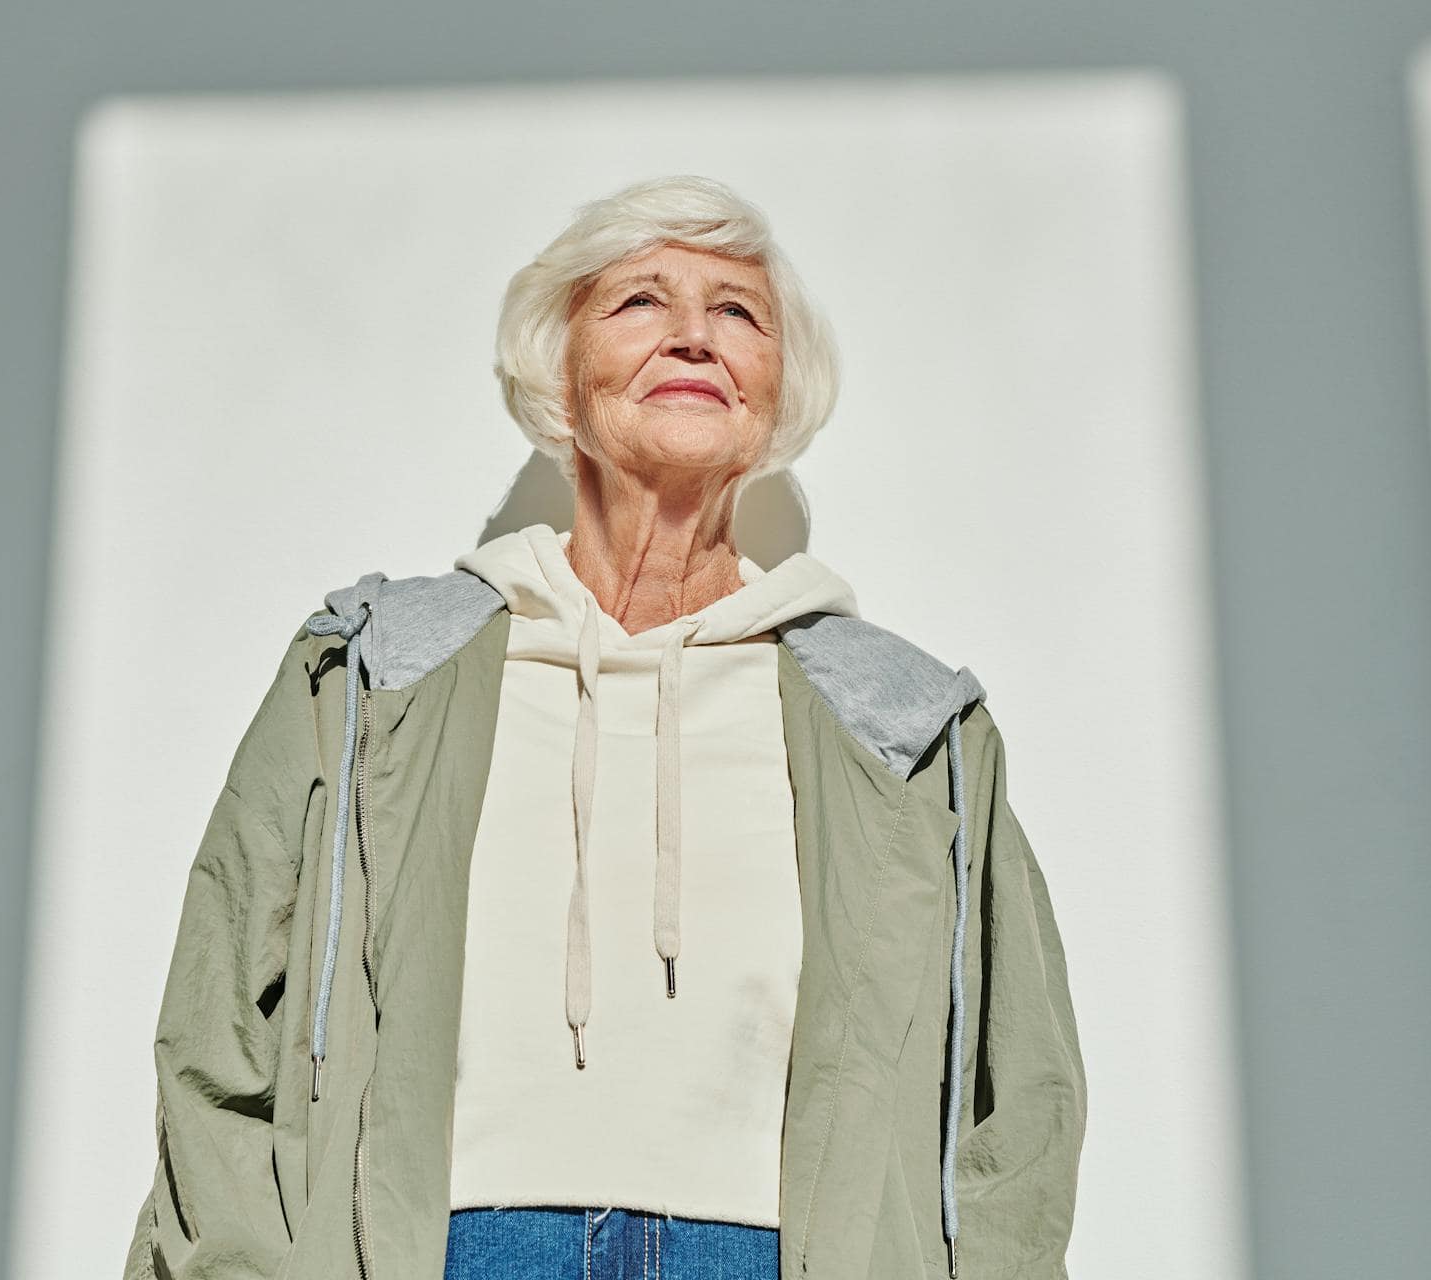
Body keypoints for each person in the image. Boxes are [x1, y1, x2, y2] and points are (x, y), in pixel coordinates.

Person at [123, 174, 1086, 1280]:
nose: (693, 335)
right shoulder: (373, 675)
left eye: (738, 311)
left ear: (778, 391)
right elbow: (218, 1033)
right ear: (560, 382)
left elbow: (1022, 1102)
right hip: (445, 1249)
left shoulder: (909, 727)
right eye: (639, 302)